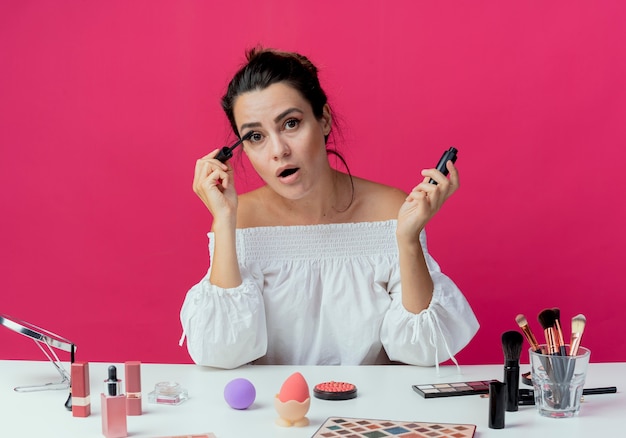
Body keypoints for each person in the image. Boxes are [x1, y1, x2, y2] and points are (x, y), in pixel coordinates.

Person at [179, 48, 479, 369]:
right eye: (255, 136)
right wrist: (224, 221)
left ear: (323, 120)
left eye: (291, 123)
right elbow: (222, 353)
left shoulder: (390, 209)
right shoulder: (241, 220)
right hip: (276, 414)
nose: (278, 150)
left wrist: (407, 239)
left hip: (371, 413)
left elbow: (424, 352)